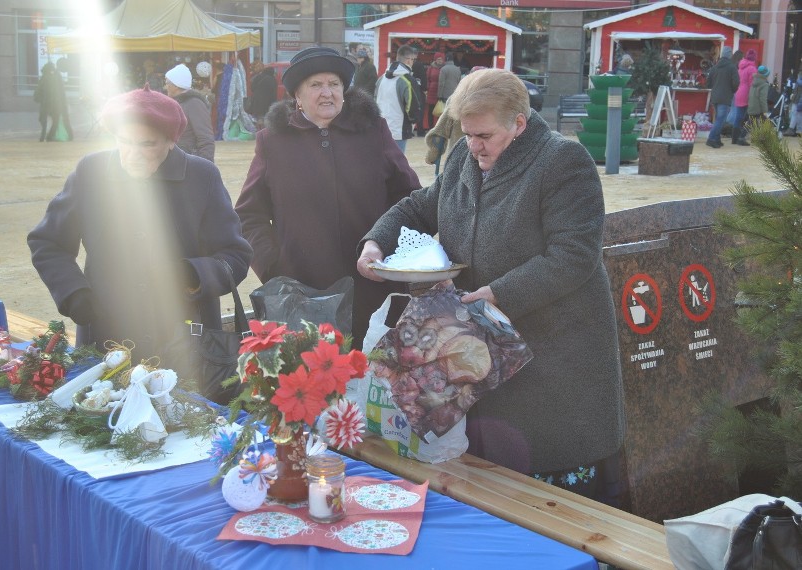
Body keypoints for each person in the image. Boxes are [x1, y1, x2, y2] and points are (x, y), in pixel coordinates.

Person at [357, 69, 625, 503]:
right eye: (466, 133)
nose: (473, 144)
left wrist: (500, 293)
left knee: (554, 500)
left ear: (518, 123)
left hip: (556, 361)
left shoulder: (563, 162)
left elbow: (574, 255)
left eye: (484, 135)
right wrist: (376, 242)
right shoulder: (466, 155)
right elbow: (421, 206)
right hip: (485, 357)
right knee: (493, 487)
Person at [28, 85, 252, 363]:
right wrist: (75, 294)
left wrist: (192, 274)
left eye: (147, 144)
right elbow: (48, 242)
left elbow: (235, 256)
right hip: (106, 332)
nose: (133, 153)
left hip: (189, 339)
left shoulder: (201, 176)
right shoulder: (91, 171)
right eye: (125, 141)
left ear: (172, 141)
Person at [235, 46, 420, 347]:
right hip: (303, 292)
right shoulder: (273, 142)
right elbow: (249, 214)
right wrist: (273, 267)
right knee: (313, 383)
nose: (327, 93)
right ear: (297, 94)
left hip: (373, 287)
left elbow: (410, 199)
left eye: (334, 84)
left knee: (373, 381)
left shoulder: (374, 132)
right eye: (316, 85)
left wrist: (389, 250)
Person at [375, 45, 422, 152]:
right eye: (413, 59)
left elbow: (374, 100)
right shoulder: (408, 80)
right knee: (398, 164)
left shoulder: (382, 78)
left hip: (381, 127)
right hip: (399, 129)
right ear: (409, 60)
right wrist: (414, 120)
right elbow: (413, 107)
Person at [164, 63, 215, 162]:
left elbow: (205, 138)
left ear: (176, 85)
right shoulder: (176, 103)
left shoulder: (194, 104)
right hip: (178, 160)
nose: (165, 86)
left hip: (189, 161)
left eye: (167, 83)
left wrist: (205, 166)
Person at [705, 46, 740, 149]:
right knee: (721, 119)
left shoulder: (715, 67)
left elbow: (708, 82)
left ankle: (717, 139)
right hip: (725, 97)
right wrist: (732, 90)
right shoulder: (732, 67)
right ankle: (711, 138)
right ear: (729, 55)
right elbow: (736, 82)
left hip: (715, 96)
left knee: (719, 118)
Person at [34, 62, 73, 143]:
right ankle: (66, 136)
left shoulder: (44, 78)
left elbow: (37, 95)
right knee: (58, 120)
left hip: (47, 104)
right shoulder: (57, 77)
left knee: (45, 121)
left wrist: (42, 99)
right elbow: (62, 92)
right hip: (57, 104)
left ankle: (44, 137)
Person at [732, 49, 758, 146]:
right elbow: (753, 84)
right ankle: (742, 137)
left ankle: (734, 138)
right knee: (751, 116)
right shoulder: (752, 69)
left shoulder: (741, 67)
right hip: (747, 94)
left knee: (738, 116)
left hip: (739, 92)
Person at [247, 62, 278, 129]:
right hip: (268, 102)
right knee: (265, 116)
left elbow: (252, 88)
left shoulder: (258, 77)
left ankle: (259, 130)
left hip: (257, 100)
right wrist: (274, 103)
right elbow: (274, 93)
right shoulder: (273, 80)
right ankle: (264, 130)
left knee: (259, 116)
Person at [425, 52, 444, 133]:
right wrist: (428, 88)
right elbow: (427, 78)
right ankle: (430, 127)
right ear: (435, 60)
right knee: (431, 111)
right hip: (431, 91)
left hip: (440, 91)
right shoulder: (431, 68)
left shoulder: (444, 68)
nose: (440, 61)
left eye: (441, 59)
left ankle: (439, 128)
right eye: (438, 59)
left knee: (440, 110)